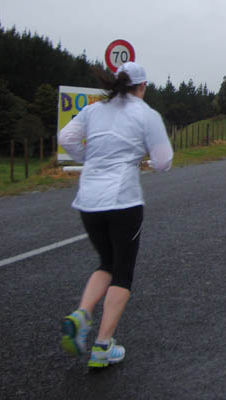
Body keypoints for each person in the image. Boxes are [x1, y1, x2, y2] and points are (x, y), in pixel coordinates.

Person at [58, 61, 173, 368]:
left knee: (106, 262)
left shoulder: (94, 110)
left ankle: (82, 314)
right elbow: (164, 161)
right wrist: (147, 162)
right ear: (142, 86)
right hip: (123, 200)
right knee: (122, 272)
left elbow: (66, 138)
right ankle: (102, 346)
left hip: (88, 200)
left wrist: (90, 157)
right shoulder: (147, 115)